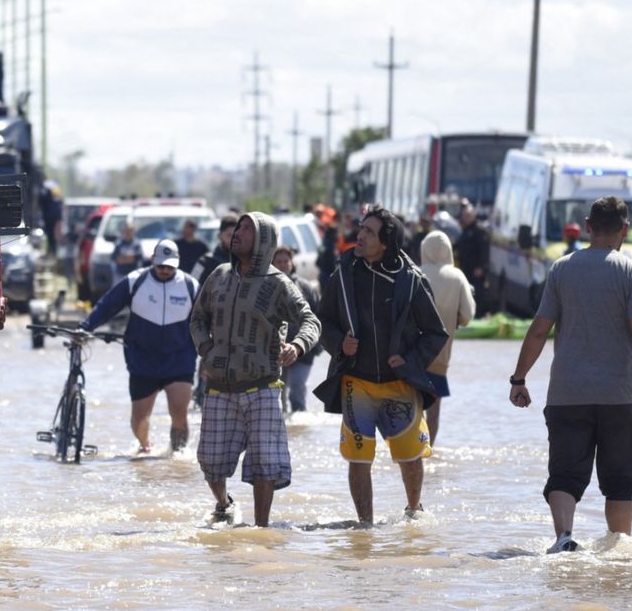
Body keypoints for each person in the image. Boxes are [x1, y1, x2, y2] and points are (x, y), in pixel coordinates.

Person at [507, 196, 632, 554]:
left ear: (588, 226)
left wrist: (519, 378)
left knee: (564, 477)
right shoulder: (631, 271)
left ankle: (564, 537)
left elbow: (539, 330)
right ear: (625, 229)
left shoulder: (561, 269)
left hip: (568, 395)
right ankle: (619, 550)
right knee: (620, 483)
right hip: (621, 396)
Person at [314, 205, 449, 525]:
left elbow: (435, 332)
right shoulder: (343, 273)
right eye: (360, 229)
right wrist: (339, 344)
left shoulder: (411, 279)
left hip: (399, 383)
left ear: (386, 242)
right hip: (355, 382)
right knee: (358, 459)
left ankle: (414, 511)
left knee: (409, 457)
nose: (359, 235)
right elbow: (323, 321)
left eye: (368, 232)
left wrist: (411, 360)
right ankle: (365, 527)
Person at [190, 213, 320, 527]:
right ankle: (224, 504)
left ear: (263, 240)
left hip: (262, 387)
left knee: (265, 464)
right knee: (210, 461)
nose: (237, 233)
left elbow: (310, 321)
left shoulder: (277, 283)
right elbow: (197, 319)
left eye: (247, 229)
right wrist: (207, 352)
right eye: (238, 227)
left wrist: (297, 346)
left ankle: (261, 528)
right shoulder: (219, 275)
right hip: (220, 387)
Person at [80, 240, 200, 454]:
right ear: (153, 260)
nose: (164, 270)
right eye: (161, 265)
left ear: (178, 263)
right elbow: (107, 306)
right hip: (143, 360)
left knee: (180, 415)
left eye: (169, 266)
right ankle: (145, 446)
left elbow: (207, 320)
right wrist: (86, 327)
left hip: (179, 360)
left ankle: (177, 457)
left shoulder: (191, 286)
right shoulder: (135, 281)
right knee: (139, 419)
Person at [420, 231, 475, 447]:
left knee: (412, 410)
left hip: (410, 356)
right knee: (433, 411)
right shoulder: (457, 277)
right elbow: (467, 315)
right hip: (440, 356)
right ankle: (428, 452)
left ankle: (409, 457)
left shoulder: (415, 273)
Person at [272, 245, 321, 414]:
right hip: (277, 351)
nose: (283, 264)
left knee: (297, 391)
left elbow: (318, 316)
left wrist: (317, 347)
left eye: (286, 261)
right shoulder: (266, 287)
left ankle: (300, 427)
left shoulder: (305, 288)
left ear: (292, 263)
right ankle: (285, 430)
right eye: (279, 261)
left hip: (303, 350)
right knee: (277, 395)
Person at [454, 201, 491, 316]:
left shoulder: (480, 230)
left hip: (476, 270)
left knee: (477, 295)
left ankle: (479, 315)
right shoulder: (464, 230)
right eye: (464, 216)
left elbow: (485, 251)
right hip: (465, 268)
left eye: (468, 216)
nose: (465, 218)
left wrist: (481, 267)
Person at [195, 213, 239, 284]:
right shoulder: (205, 261)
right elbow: (193, 286)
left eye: (236, 235)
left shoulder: (244, 262)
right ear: (220, 236)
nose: (233, 239)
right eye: (229, 235)